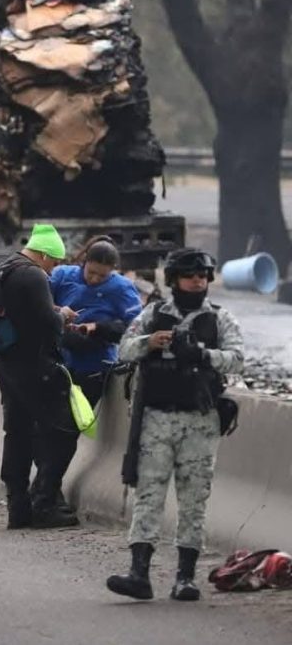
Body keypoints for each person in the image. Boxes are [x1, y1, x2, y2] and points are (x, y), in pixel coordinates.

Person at [107, 247, 244, 602]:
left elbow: (237, 360)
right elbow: (123, 350)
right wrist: (148, 343)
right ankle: (139, 573)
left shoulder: (219, 318)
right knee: (149, 495)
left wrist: (201, 355)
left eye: (202, 276)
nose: (197, 282)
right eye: (189, 276)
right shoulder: (153, 314)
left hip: (200, 421)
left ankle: (185, 577)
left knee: (194, 499)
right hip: (156, 419)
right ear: (174, 280)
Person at [0, 223, 79, 529]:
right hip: (36, 368)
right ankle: (45, 503)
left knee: (17, 433)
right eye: (53, 262)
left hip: (7, 366)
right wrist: (63, 315)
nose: (53, 270)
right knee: (63, 431)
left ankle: (17, 507)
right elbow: (48, 323)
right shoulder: (34, 274)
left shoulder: (6, 268)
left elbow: (19, 311)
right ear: (42, 254)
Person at [42, 238, 143, 510]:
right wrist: (60, 317)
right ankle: (45, 491)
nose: (95, 279)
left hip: (94, 368)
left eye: (102, 275)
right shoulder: (63, 277)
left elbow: (136, 327)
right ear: (83, 262)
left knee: (67, 432)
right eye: (91, 272)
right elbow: (36, 301)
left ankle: (46, 491)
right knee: (49, 430)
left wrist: (99, 329)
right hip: (58, 364)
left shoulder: (122, 289)